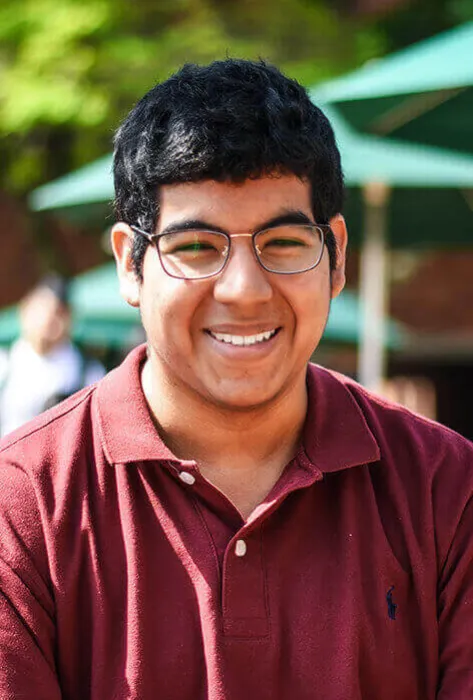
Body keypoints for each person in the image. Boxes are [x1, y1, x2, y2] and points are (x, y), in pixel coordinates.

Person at [0, 59, 472, 700]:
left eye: (283, 243)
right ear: (130, 264)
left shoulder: (448, 490)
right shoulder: (23, 505)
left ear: (335, 256)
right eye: (196, 247)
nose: (245, 291)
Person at [0, 275, 105, 436]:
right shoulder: (4, 363)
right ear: (24, 310)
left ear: (69, 319)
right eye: (41, 310)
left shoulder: (89, 372)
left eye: (58, 313)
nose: (47, 319)